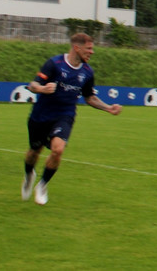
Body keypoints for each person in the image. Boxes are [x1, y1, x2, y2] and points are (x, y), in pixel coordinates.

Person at [22, 33, 122, 206]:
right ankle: (29, 174)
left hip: (65, 115)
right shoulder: (54, 63)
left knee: (58, 150)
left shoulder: (87, 72)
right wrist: (43, 89)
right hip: (41, 115)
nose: (92, 52)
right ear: (77, 47)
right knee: (34, 152)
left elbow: (89, 97)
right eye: (89, 49)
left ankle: (43, 184)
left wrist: (108, 108)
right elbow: (33, 85)